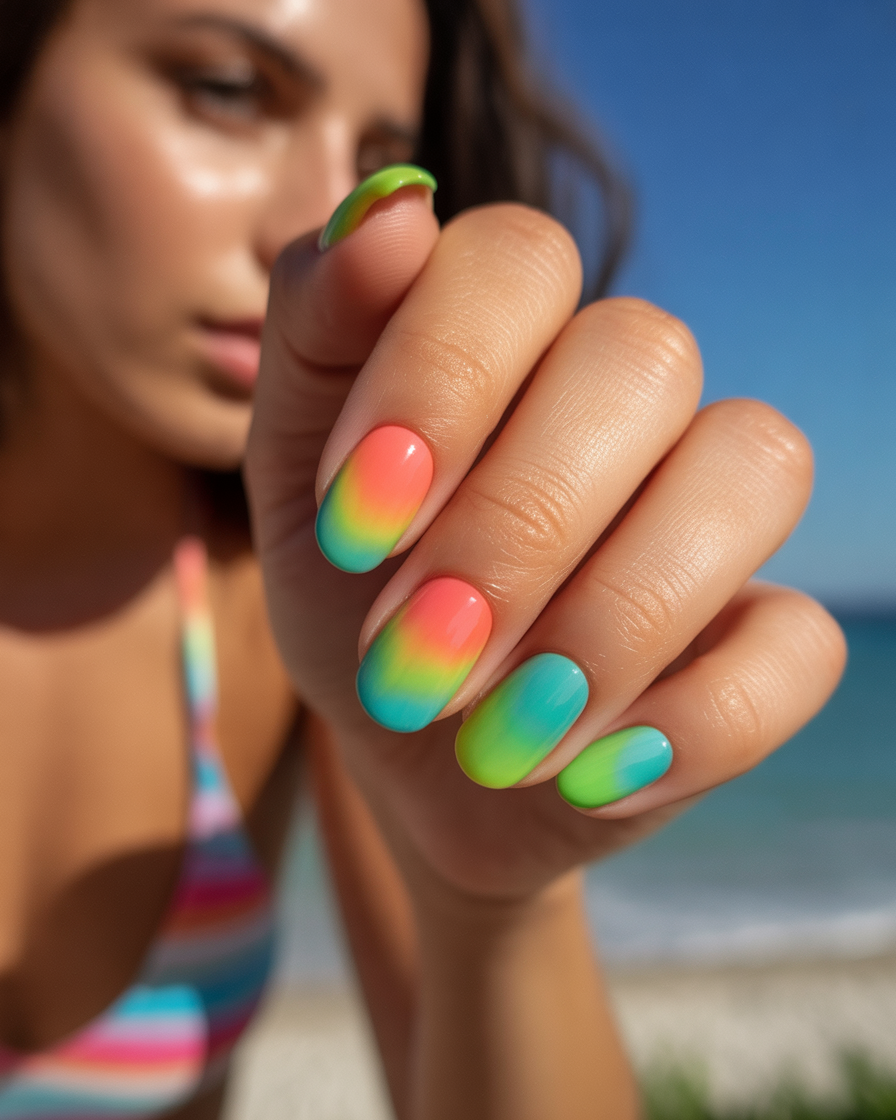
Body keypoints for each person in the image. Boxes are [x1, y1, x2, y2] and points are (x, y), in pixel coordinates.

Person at [0, 0, 846, 1118]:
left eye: (379, 158)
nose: (318, 216)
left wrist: (494, 910)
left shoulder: (314, 621)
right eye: (227, 90)